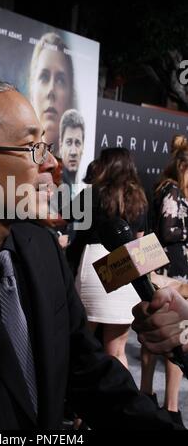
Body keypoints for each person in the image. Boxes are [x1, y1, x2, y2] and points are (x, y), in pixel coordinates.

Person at [0, 78, 180, 430]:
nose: (52, 164)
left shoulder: (40, 247)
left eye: (47, 146)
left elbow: (87, 372)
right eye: (32, 147)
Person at [68, 148, 148, 369]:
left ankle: (77, 401)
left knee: (81, 343)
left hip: (96, 262)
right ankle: (118, 402)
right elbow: (139, 240)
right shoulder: (138, 197)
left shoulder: (93, 192)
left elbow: (62, 217)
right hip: (128, 263)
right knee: (117, 350)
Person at [139, 149, 188, 426]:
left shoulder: (160, 188)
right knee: (174, 333)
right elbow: (170, 230)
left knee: (156, 329)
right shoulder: (172, 191)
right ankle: (171, 407)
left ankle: (148, 394)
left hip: (160, 260)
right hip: (173, 264)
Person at [29, 32, 74, 156]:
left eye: (60, 80)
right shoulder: (15, 167)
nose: (51, 91)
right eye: (44, 77)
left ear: (70, 96)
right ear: (32, 90)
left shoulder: (74, 169)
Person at [59, 109, 85, 197]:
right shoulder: (53, 188)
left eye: (77, 143)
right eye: (69, 143)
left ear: (83, 146)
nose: (73, 152)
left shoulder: (85, 184)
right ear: (60, 145)